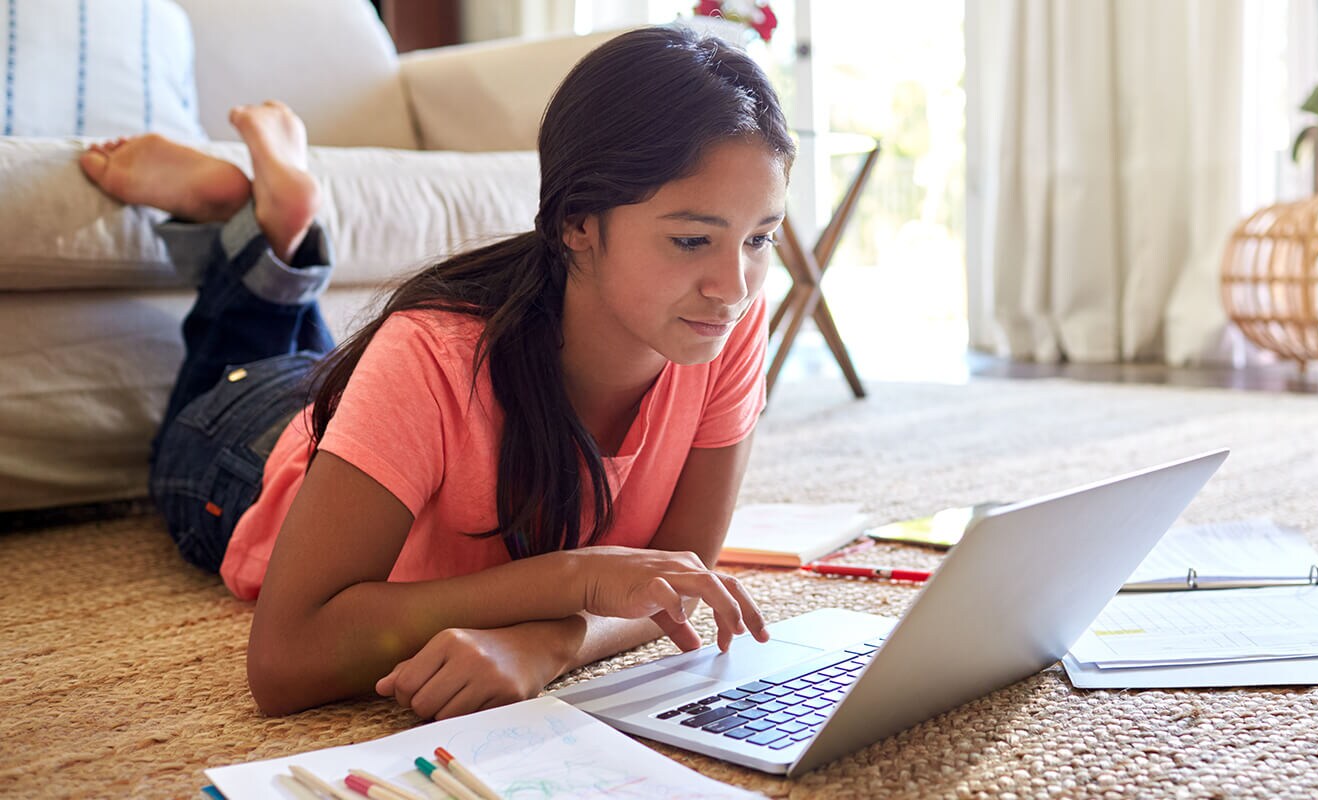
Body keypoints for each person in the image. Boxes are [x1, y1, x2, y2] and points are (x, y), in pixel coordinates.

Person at [78, 26, 790, 719]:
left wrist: (550, 641)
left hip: (367, 402)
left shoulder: (724, 320)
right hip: (245, 448)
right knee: (242, 370)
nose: (733, 284)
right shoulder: (430, 351)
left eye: (760, 237)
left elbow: (680, 580)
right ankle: (255, 223)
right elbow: (285, 659)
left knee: (317, 357)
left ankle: (268, 223)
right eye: (691, 239)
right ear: (578, 222)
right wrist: (572, 578)